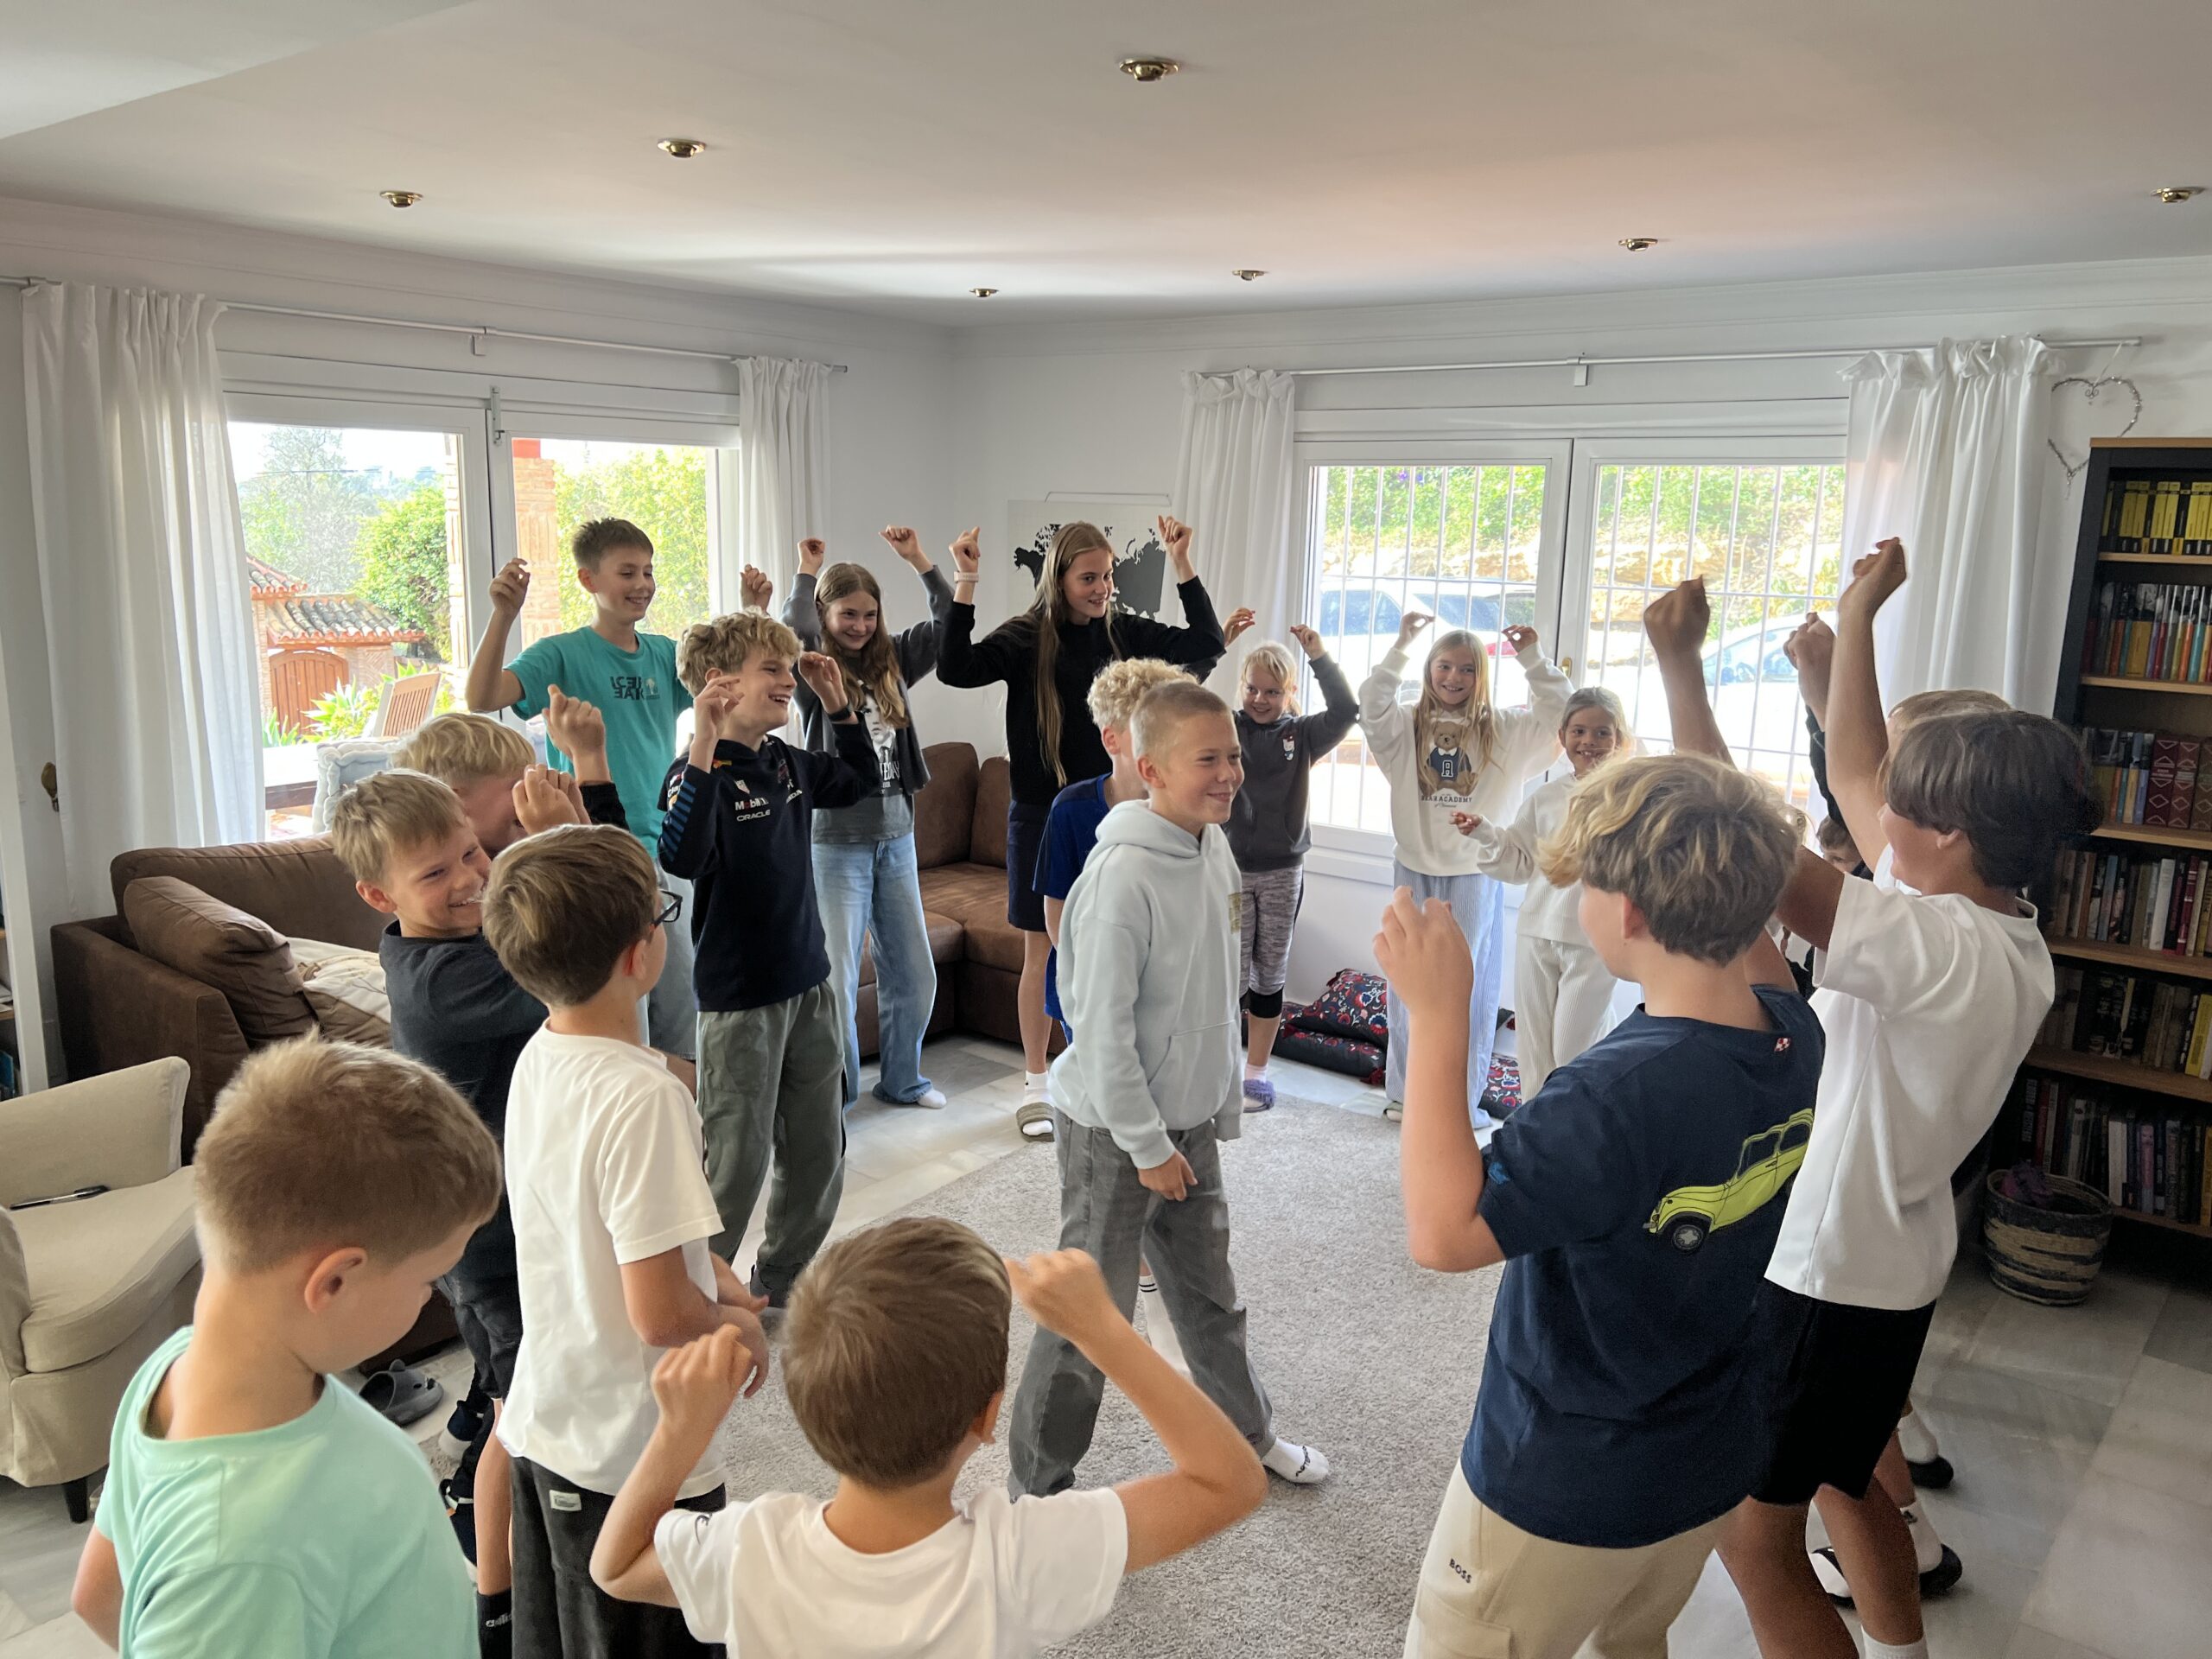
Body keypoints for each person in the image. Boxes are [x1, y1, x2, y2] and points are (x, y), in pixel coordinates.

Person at [1642, 550, 2098, 1659]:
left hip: (1826, 1278)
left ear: (1944, 832)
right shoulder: (1990, 921)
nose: (1873, 800)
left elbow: (1744, 843)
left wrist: (1680, 670)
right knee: (1852, 1485)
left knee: (1754, 1543)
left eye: (1899, 798)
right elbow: (1853, 765)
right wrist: (1855, 618)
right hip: (1888, 1272)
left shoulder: (1932, 945)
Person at [1376, 747, 1821, 1659]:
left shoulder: (1609, 1097)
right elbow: (1758, 951)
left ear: (1629, 913)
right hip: (1704, 1455)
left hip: (1564, 1480)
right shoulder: (1792, 1027)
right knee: (1633, 1637)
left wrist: (1440, 1015)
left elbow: (1443, 1234)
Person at [588, 1223, 1266, 1656]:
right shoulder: (1017, 1558)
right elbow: (1228, 1481)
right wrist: (1104, 1332)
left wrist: (680, 1433)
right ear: (988, 1418)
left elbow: (615, 1567)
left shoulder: (751, 1550)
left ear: (805, 1409)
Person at [69, 1040, 501, 1658]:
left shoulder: (174, 1370)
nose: (432, 1297)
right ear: (334, 1282)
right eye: (429, 1279)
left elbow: (97, 1595)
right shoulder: (241, 1552)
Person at [1010, 679, 1330, 1496]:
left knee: (1210, 1297)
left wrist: (1215, 1103)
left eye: (1233, 756)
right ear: (1150, 769)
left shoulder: (1212, 845)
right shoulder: (1119, 879)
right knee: (1090, 1319)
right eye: (1207, 760)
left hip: (1185, 1123)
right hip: (1113, 1134)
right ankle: (1036, 1493)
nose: (1229, 774)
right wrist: (1147, 1145)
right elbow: (1100, 1030)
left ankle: (1245, 1435)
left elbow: (1215, 986)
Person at [483, 824, 772, 1659]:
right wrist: (737, 1328)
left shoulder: (540, 1056)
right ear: (639, 956)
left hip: (549, 1419)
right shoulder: (647, 1097)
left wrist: (708, 1269)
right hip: (631, 1454)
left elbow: (595, 1224)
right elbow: (659, 1315)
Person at [332, 766, 561, 1654]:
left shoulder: (461, 940)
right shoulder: (441, 982)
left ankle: (482, 1491)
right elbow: (571, 959)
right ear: (379, 895)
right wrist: (555, 840)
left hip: (515, 1224)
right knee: (523, 1416)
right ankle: (494, 1593)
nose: (470, 878)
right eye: (436, 873)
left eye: (472, 853)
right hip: (489, 1247)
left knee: (518, 1396)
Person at [936, 517, 1231, 1138]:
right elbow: (955, 668)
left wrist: (1182, 562)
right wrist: (965, 579)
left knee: (1116, 949)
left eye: (1108, 576)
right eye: (1089, 578)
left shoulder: (1121, 632)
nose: (1102, 589)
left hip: (1115, 810)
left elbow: (1207, 640)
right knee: (1042, 950)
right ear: (1060, 578)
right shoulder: (1026, 638)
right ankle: (1037, 1084)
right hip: (1043, 813)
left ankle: (1106, 1072)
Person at [658, 610, 878, 1296]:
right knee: (735, 1165)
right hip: (740, 1004)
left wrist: (838, 705)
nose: (788, 680)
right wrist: (703, 741)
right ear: (720, 684)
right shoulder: (695, 773)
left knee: (818, 1154)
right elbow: (681, 856)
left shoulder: (785, 760)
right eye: (772, 669)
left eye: (788, 669)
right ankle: (696, 1297)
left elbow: (859, 779)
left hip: (809, 985)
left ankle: (778, 1281)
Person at [462, 519, 699, 1090]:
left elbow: (726, 693)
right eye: (627, 572)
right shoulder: (562, 654)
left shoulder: (665, 654)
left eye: (648, 572)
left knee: (681, 1008)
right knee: (626, 1018)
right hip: (596, 854)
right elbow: (481, 696)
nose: (642, 584)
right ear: (589, 580)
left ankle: (687, 1117)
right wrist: (503, 616)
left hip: (666, 850)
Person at [772, 526, 957, 1112]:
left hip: (896, 838)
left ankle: (903, 1081)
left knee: (916, 974)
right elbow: (794, 627)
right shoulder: (812, 671)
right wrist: (806, 571)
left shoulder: (892, 659)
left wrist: (921, 561)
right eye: (848, 614)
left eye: (869, 614)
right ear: (827, 614)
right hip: (836, 845)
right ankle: (839, 1097)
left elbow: (951, 624)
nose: (860, 626)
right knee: (839, 981)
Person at [1360, 612, 1571, 1124]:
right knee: (1407, 978)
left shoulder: (1505, 729)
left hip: (1475, 871)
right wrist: (1402, 645)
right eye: (1444, 666)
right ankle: (1405, 1092)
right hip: (1413, 865)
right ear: (1429, 669)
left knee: (1468, 987)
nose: (1454, 678)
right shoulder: (1405, 725)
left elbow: (1562, 713)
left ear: (1482, 675)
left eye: (1467, 669)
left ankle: (1458, 1099)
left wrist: (1532, 659)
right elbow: (1370, 703)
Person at [1448, 686, 1632, 1098]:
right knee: (1533, 1053)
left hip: (1594, 941)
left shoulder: (1631, 799)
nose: (1589, 742)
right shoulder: (1546, 797)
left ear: (1620, 738)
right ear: (1563, 736)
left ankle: (1588, 1119)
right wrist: (1485, 832)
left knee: (1573, 1050)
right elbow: (1521, 861)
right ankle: (1533, 1128)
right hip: (1536, 931)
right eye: (1579, 731)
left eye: (1602, 733)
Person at [1221, 619, 1360, 1110]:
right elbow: (1175, 702)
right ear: (1241, 687)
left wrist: (1320, 656)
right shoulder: (1226, 727)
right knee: (1230, 973)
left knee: (1270, 972)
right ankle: (1222, 1070)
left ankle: (1256, 1073)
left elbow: (1346, 711)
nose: (1260, 699)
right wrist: (1217, 644)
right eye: (1252, 689)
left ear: (1290, 692)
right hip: (1231, 874)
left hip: (1283, 873)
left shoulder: (1301, 735)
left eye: (1272, 692)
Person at [395, 698, 630, 857]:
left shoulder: (518, 848)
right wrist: (559, 839)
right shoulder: (476, 884)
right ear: (453, 803)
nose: (534, 791)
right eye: (519, 785)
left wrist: (588, 759)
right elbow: (606, 903)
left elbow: (622, 867)